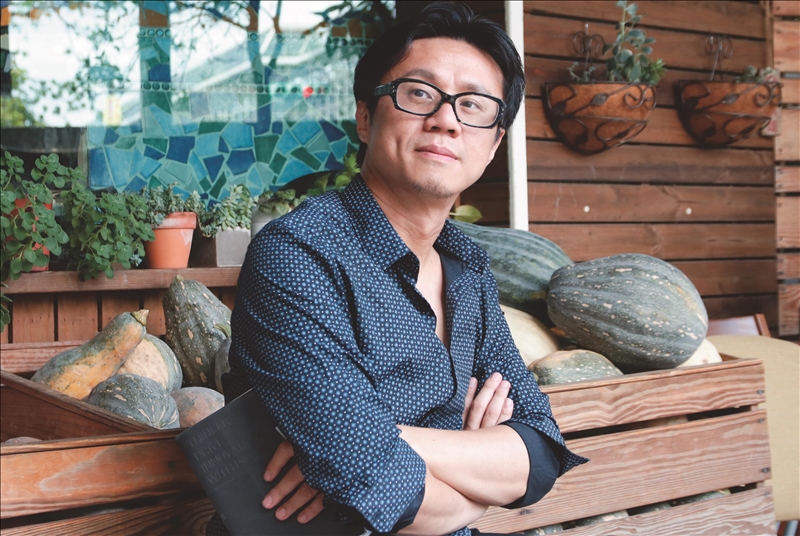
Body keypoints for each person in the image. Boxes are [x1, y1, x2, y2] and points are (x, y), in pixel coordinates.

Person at [214, 2, 588, 535]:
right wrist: (479, 486)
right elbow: (379, 483)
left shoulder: (468, 268)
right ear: (366, 117)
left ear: (494, 144)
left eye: (474, 105)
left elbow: (541, 454)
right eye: (419, 93)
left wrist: (378, 439)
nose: (447, 120)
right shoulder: (297, 255)